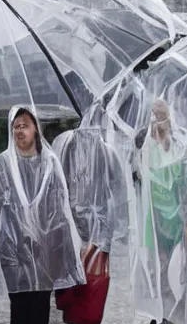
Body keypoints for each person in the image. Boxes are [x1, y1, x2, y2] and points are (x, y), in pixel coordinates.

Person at [0, 106, 85, 324]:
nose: (19, 131)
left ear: (35, 129)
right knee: (20, 309)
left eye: (24, 125)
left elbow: (61, 205)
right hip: (12, 248)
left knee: (40, 307)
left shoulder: (50, 163)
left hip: (44, 248)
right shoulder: (2, 164)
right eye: (15, 126)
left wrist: (69, 247)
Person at [131, 99, 187, 324]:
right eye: (154, 117)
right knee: (158, 272)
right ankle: (161, 319)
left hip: (177, 223)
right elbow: (136, 181)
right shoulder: (144, 148)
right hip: (154, 222)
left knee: (178, 277)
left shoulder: (181, 148)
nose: (157, 122)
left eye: (160, 116)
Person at [52, 104, 133, 262]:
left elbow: (119, 189)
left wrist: (115, 227)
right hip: (74, 223)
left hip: (99, 225)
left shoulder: (106, 152)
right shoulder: (68, 146)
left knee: (95, 272)